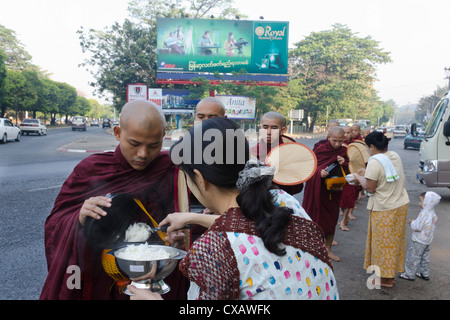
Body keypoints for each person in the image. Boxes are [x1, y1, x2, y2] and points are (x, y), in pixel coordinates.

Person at [128, 117, 339, 300]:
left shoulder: (213, 250)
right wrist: (192, 217)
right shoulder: (281, 200)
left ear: (200, 180)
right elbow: (250, 225)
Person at [40, 101, 188, 300]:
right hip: (103, 276)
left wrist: (177, 237)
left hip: (156, 278)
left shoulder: (171, 169)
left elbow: (196, 216)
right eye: (134, 144)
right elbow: (55, 223)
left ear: (163, 137)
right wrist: (80, 217)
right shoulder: (91, 169)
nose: (143, 154)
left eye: (153, 145)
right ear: (117, 133)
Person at [352, 131, 409, 288]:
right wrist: (366, 174)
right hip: (400, 204)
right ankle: (390, 275)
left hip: (385, 208)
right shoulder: (394, 156)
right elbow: (384, 174)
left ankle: (385, 280)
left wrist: (358, 178)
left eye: (367, 147)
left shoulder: (374, 162)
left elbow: (369, 188)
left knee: (383, 244)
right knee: (394, 242)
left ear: (371, 146)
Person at [302, 126, 348, 262]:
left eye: (340, 141)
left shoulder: (345, 151)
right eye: (335, 141)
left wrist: (344, 163)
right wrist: (319, 172)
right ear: (328, 138)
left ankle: (327, 249)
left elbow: (352, 171)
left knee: (332, 219)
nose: (338, 144)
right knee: (316, 218)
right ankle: (313, 248)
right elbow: (309, 167)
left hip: (334, 192)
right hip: (318, 191)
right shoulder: (320, 149)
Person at [251, 111, 303, 195]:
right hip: (259, 201)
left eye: (274, 128)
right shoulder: (253, 152)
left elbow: (298, 186)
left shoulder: (291, 150)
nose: (268, 132)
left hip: (283, 200)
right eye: (265, 127)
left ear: (283, 130)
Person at [399, 191, 440, 281]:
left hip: (418, 240)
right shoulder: (432, 213)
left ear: (427, 202)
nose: (419, 203)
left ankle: (409, 274)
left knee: (413, 257)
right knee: (425, 257)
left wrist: (412, 222)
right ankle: (424, 273)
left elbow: (417, 227)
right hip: (428, 240)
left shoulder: (424, 214)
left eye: (421, 201)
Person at [339, 126, 356, 231]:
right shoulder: (336, 144)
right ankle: (344, 218)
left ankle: (343, 221)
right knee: (341, 200)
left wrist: (345, 162)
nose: (346, 135)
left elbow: (356, 162)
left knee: (348, 198)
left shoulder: (355, 145)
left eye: (348, 133)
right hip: (339, 176)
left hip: (350, 174)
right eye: (344, 133)